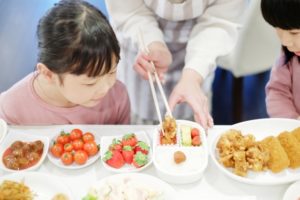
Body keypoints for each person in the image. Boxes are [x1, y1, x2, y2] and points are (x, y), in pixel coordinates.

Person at [105, 0, 245, 129]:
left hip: (201, 48)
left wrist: (193, 76)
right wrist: (153, 44)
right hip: (141, 45)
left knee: (190, 123)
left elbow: (219, 22)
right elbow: (131, 12)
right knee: (139, 122)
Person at [0, 0, 130, 125]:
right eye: (90, 83)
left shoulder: (118, 96)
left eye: (112, 72)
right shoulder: (11, 109)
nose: (106, 88)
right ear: (48, 74)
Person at [261, 0, 300, 120]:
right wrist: (293, 122)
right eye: (278, 29)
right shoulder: (289, 56)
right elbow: (278, 91)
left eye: (294, 33)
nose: (285, 41)